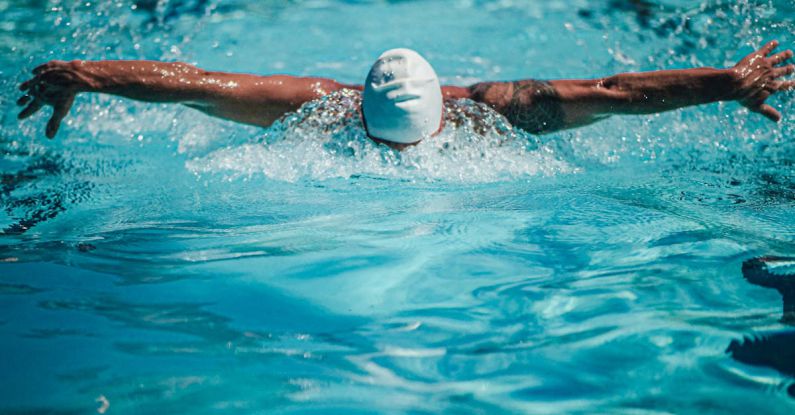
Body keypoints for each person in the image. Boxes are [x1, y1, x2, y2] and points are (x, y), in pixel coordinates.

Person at [17, 41, 794, 149]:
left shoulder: (497, 110)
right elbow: (194, 86)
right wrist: (85, 74)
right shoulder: (314, 105)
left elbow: (613, 89)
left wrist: (722, 84)